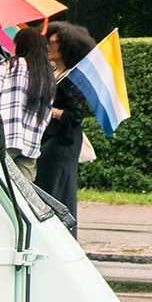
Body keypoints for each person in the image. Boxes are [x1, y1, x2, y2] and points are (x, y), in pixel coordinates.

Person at [35, 21, 96, 225]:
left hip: (64, 140)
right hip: (50, 135)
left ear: (67, 47)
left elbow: (76, 116)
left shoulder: (74, 78)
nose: (48, 46)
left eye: (54, 42)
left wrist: (52, 111)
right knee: (46, 182)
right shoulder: (53, 73)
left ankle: (62, 229)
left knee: (58, 186)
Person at [0, 26, 54, 182]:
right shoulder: (47, 74)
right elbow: (48, 112)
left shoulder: (8, 65)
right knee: (26, 193)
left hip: (5, 135)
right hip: (31, 141)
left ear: (20, 45)